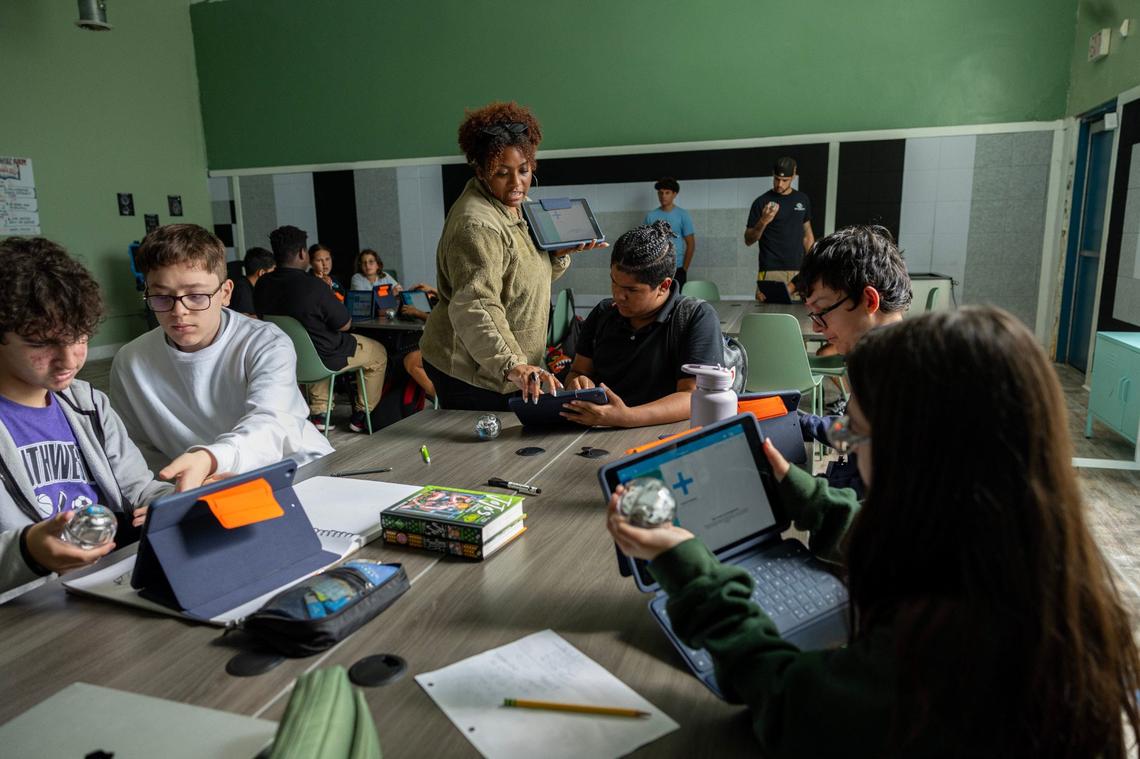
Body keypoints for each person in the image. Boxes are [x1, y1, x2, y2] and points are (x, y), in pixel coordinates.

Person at [607, 306, 1140, 758]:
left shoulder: (939, 655)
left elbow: (788, 704)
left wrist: (695, 572)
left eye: (855, 433)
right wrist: (811, 499)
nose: (844, 444)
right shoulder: (1039, 561)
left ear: (916, 457)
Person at [0, 238, 170, 594]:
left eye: (79, 336)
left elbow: (138, 489)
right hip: (26, 605)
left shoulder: (87, 403)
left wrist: (186, 500)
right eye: (42, 342)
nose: (69, 359)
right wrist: (28, 552)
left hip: (106, 581)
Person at [110, 224, 333, 490]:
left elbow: (270, 425)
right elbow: (137, 449)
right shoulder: (130, 361)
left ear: (225, 293)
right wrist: (164, 493)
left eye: (196, 296)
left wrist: (211, 458)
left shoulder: (264, 343)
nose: (179, 311)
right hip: (204, 487)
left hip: (297, 471)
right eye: (161, 297)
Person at [419, 101, 603, 411]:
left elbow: (519, 277)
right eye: (502, 173)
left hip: (505, 360)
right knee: (488, 453)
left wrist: (557, 254)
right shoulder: (477, 225)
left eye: (524, 170)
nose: (517, 183)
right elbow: (475, 304)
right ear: (481, 170)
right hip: (472, 368)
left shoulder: (513, 203)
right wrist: (512, 364)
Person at [562, 222, 722, 428]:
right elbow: (578, 371)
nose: (618, 295)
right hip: (597, 431)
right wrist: (579, 383)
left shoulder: (695, 317)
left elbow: (692, 396)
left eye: (631, 290)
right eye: (614, 282)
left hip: (660, 434)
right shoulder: (604, 313)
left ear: (663, 286)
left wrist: (626, 417)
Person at [257, 225, 387, 432]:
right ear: (302, 253)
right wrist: (326, 293)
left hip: (287, 358)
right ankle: (363, 414)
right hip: (326, 355)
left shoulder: (263, 284)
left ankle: (319, 412)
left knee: (313, 346)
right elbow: (344, 324)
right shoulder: (314, 286)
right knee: (378, 352)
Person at [796, 225, 911, 445]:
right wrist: (798, 424)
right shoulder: (881, 358)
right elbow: (855, 432)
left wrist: (795, 477)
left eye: (822, 310)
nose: (816, 328)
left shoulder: (898, 376)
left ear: (869, 300)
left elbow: (859, 443)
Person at [744, 157, 814, 299]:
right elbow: (748, 240)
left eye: (785, 180)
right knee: (768, 315)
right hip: (771, 270)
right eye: (776, 179)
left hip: (798, 272)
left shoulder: (802, 200)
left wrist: (812, 265)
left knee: (799, 316)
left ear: (794, 175)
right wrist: (763, 221)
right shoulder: (761, 202)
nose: (779, 184)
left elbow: (807, 235)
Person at [643, 177, 695, 287]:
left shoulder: (683, 215)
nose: (663, 196)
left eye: (667, 193)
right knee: (659, 300)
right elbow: (646, 242)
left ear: (674, 194)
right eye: (660, 193)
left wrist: (684, 268)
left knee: (676, 300)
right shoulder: (651, 216)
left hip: (678, 268)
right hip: (657, 267)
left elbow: (691, 244)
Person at [228, 246, 275, 317]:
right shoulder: (242, 290)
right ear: (262, 273)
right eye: (272, 271)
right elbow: (245, 321)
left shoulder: (249, 286)